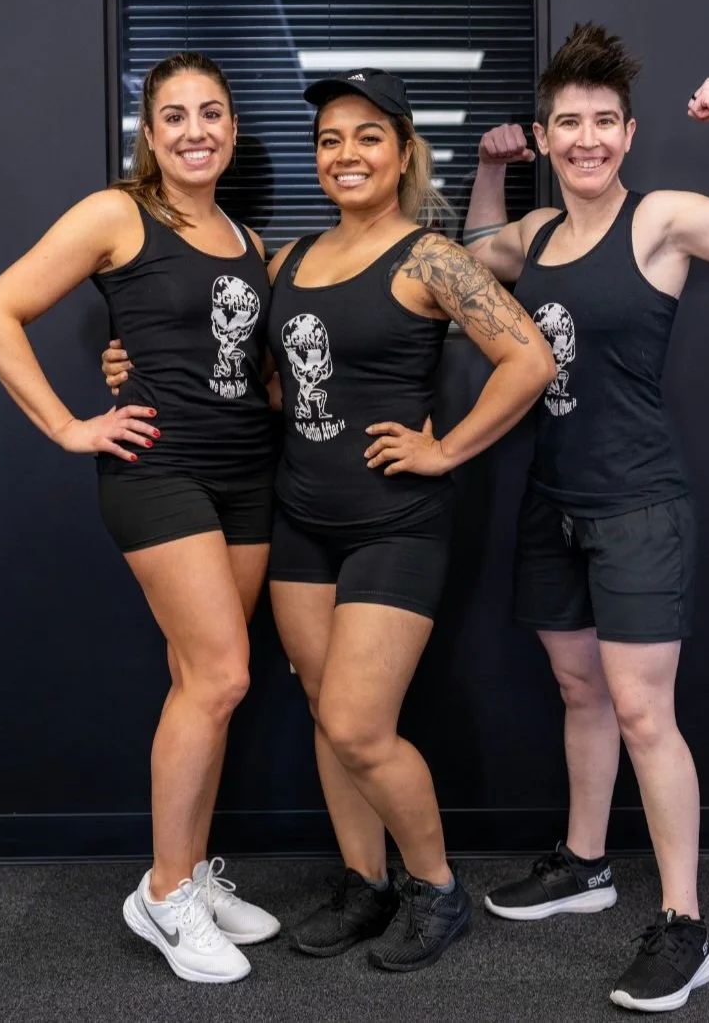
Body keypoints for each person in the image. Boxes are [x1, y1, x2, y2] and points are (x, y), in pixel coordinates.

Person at [104, 67, 555, 971]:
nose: (345, 154)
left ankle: (435, 886)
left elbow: (531, 359)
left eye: (367, 137)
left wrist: (448, 448)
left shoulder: (431, 256)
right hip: (301, 518)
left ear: (402, 153)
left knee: (356, 720)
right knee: (320, 704)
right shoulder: (288, 259)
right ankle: (366, 879)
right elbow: (251, 372)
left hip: (397, 521)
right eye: (329, 140)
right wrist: (133, 366)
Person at [461, 23, 709, 1013]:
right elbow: (472, 265)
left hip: (638, 505)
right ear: (546, 131)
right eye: (566, 122)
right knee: (581, 692)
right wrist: (491, 170)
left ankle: (684, 924)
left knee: (645, 711)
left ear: (627, 132)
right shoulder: (535, 235)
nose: (585, 138)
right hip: (553, 499)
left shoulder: (657, 220)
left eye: (603, 122)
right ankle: (583, 863)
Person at [0, 52, 281, 985]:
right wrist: (69, 423)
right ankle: (164, 896)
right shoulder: (117, 214)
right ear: (150, 132)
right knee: (223, 676)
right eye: (175, 115)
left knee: (200, 678)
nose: (196, 130)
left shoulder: (247, 237)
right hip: (159, 471)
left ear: (231, 129)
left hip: (247, 475)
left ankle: (184, 872)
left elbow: (251, 373)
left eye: (212, 113)